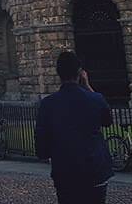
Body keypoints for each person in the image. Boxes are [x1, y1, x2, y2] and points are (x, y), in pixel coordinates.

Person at [35, 51, 114, 204]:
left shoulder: (48, 104)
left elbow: (41, 149)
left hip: (66, 173)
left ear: (58, 73)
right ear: (80, 73)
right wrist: (88, 86)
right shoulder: (95, 99)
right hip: (95, 171)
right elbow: (107, 121)